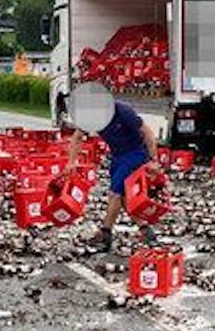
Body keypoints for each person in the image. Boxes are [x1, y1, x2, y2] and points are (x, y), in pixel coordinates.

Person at [67, 99, 161, 252]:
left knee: (115, 194)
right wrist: (71, 162)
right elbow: (77, 137)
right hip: (117, 155)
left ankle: (106, 234)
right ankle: (146, 230)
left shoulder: (123, 112)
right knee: (123, 198)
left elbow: (148, 133)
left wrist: (153, 161)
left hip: (135, 153)